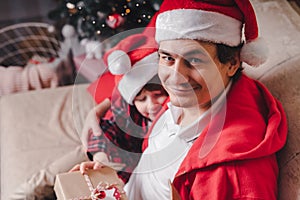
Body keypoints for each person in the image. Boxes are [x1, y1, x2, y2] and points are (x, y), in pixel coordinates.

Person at [75, 0, 288, 199]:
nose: (175, 78)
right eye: (167, 58)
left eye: (194, 60)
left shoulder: (235, 174)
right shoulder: (186, 100)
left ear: (232, 63)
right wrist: (107, 171)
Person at [73, 33, 168, 183]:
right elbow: (108, 128)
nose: (151, 105)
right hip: (106, 152)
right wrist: (101, 157)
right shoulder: (131, 110)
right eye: (142, 99)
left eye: (158, 95)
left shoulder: (173, 116)